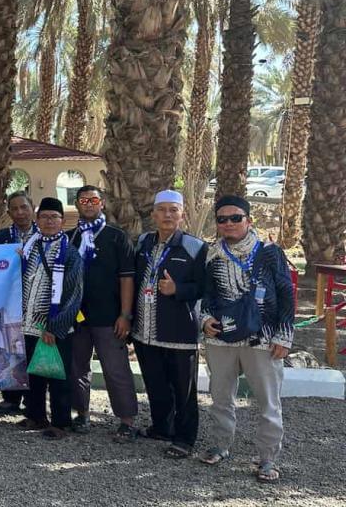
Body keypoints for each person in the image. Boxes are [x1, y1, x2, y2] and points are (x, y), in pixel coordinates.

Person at [198, 195, 294, 483]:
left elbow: (286, 293)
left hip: (263, 339)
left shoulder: (270, 252)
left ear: (249, 220)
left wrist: (284, 336)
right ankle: (220, 445)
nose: (228, 223)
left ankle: (267, 459)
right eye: (222, 219)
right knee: (220, 397)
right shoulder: (212, 253)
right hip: (221, 337)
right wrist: (205, 320)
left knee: (268, 402)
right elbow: (206, 293)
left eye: (235, 218)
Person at [131, 190, 207, 459]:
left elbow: (205, 287)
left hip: (179, 333)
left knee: (183, 390)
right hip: (145, 332)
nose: (167, 215)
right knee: (156, 384)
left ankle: (185, 438)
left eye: (173, 210)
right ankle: (162, 427)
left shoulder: (195, 247)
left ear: (182, 215)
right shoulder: (143, 243)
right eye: (162, 210)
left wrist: (178, 289)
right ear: (153, 214)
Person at [66, 186, 138, 441]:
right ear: (77, 204)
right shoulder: (69, 238)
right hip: (77, 318)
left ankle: (127, 420)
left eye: (93, 200)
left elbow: (127, 278)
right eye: (83, 200)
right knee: (77, 368)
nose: (88, 204)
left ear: (102, 203)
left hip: (110, 317)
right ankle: (82, 413)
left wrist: (125, 315)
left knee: (116, 369)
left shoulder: (117, 237)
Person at [16, 197, 83, 440]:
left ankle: (60, 423)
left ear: (62, 221)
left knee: (57, 375)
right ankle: (36, 415)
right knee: (33, 373)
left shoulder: (70, 253)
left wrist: (55, 327)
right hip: (29, 324)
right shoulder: (29, 248)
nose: (49, 221)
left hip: (54, 326)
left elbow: (73, 294)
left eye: (54, 217)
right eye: (44, 216)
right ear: (37, 220)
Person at [0, 191, 38, 414]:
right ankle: (11, 398)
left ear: (33, 208)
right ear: (9, 212)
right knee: (11, 349)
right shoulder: (1, 237)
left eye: (24, 207)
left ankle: (34, 401)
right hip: (9, 302)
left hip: (36, 304)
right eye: (15, 209)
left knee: (32, 349)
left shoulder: (44, 235)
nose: (20, 212)